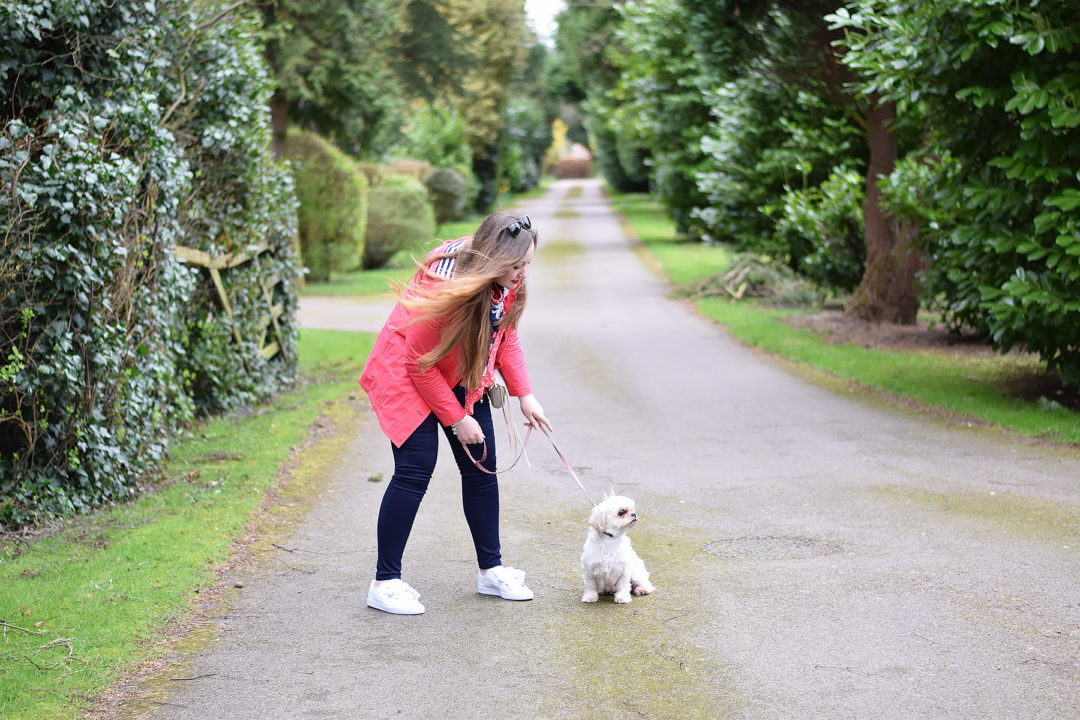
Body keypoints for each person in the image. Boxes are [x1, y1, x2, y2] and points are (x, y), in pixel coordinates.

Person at [358, 211, 552, 615]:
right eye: (516, 265)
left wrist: (524, 395)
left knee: (482, 465)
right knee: (415, 468)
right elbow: (418, 363)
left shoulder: (505, 275)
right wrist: (456, 419)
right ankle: (385, 581)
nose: (522, 273)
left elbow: (504, 334)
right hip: (410, 370)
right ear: (493, 259)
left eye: (527, 264)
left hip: (461, 368)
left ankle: (490, 571)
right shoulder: (446, 285)